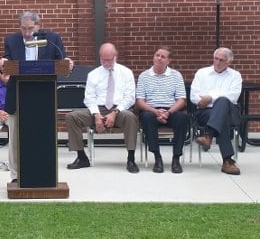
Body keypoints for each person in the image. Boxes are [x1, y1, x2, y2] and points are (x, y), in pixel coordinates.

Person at [0, 11, 73, 184]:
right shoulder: (11, 40)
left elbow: (62, 61)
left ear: (38, 26)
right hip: (17, 97)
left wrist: (68, 63)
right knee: (15, 138)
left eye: (30, 28)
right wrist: (2, 63)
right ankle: (16, 175)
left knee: (43, 136)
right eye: (23, 28)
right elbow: (6, 63)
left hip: (44, 98)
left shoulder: (52, 39)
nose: (27, 33)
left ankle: (46, 173)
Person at [65, 43, 140, 173]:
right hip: (98, 109)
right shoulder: (93, 74)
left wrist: (115, 112)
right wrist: (96, 115)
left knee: (130, 117)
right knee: (72, 117)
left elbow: (130, 98)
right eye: (103, 59)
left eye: (109, 60)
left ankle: (131, 159)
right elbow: (89, 98)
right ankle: (81, 157)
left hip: (119, 110)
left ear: (115, 56)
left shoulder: (126, 73)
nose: (106, 63)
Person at [189, 47, 243, 175]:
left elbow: (233, 97)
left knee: (223, 101)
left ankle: (208, 135)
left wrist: (210, 98)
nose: (217, 62)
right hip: (205, 112)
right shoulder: (201, 73)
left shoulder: (235, 75)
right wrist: (207, 100)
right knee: (221, 117)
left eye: (221, 60)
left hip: (230, 112)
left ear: (229, 62)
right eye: (215, 58)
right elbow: (194, 96)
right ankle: (228, 161)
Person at [135, 46, 188, 174]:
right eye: (157, 55)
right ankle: (157, 158)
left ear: (168, 61)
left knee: (182, 118)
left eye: (163, 57)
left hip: (171, 110)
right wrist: (155, 112)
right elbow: (140, 102)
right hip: (151, 110)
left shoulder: (176, 75)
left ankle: (176, 158)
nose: (159, 58)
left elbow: (181, 100)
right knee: (146, 117)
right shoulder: (144, 76)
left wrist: (168, 112)